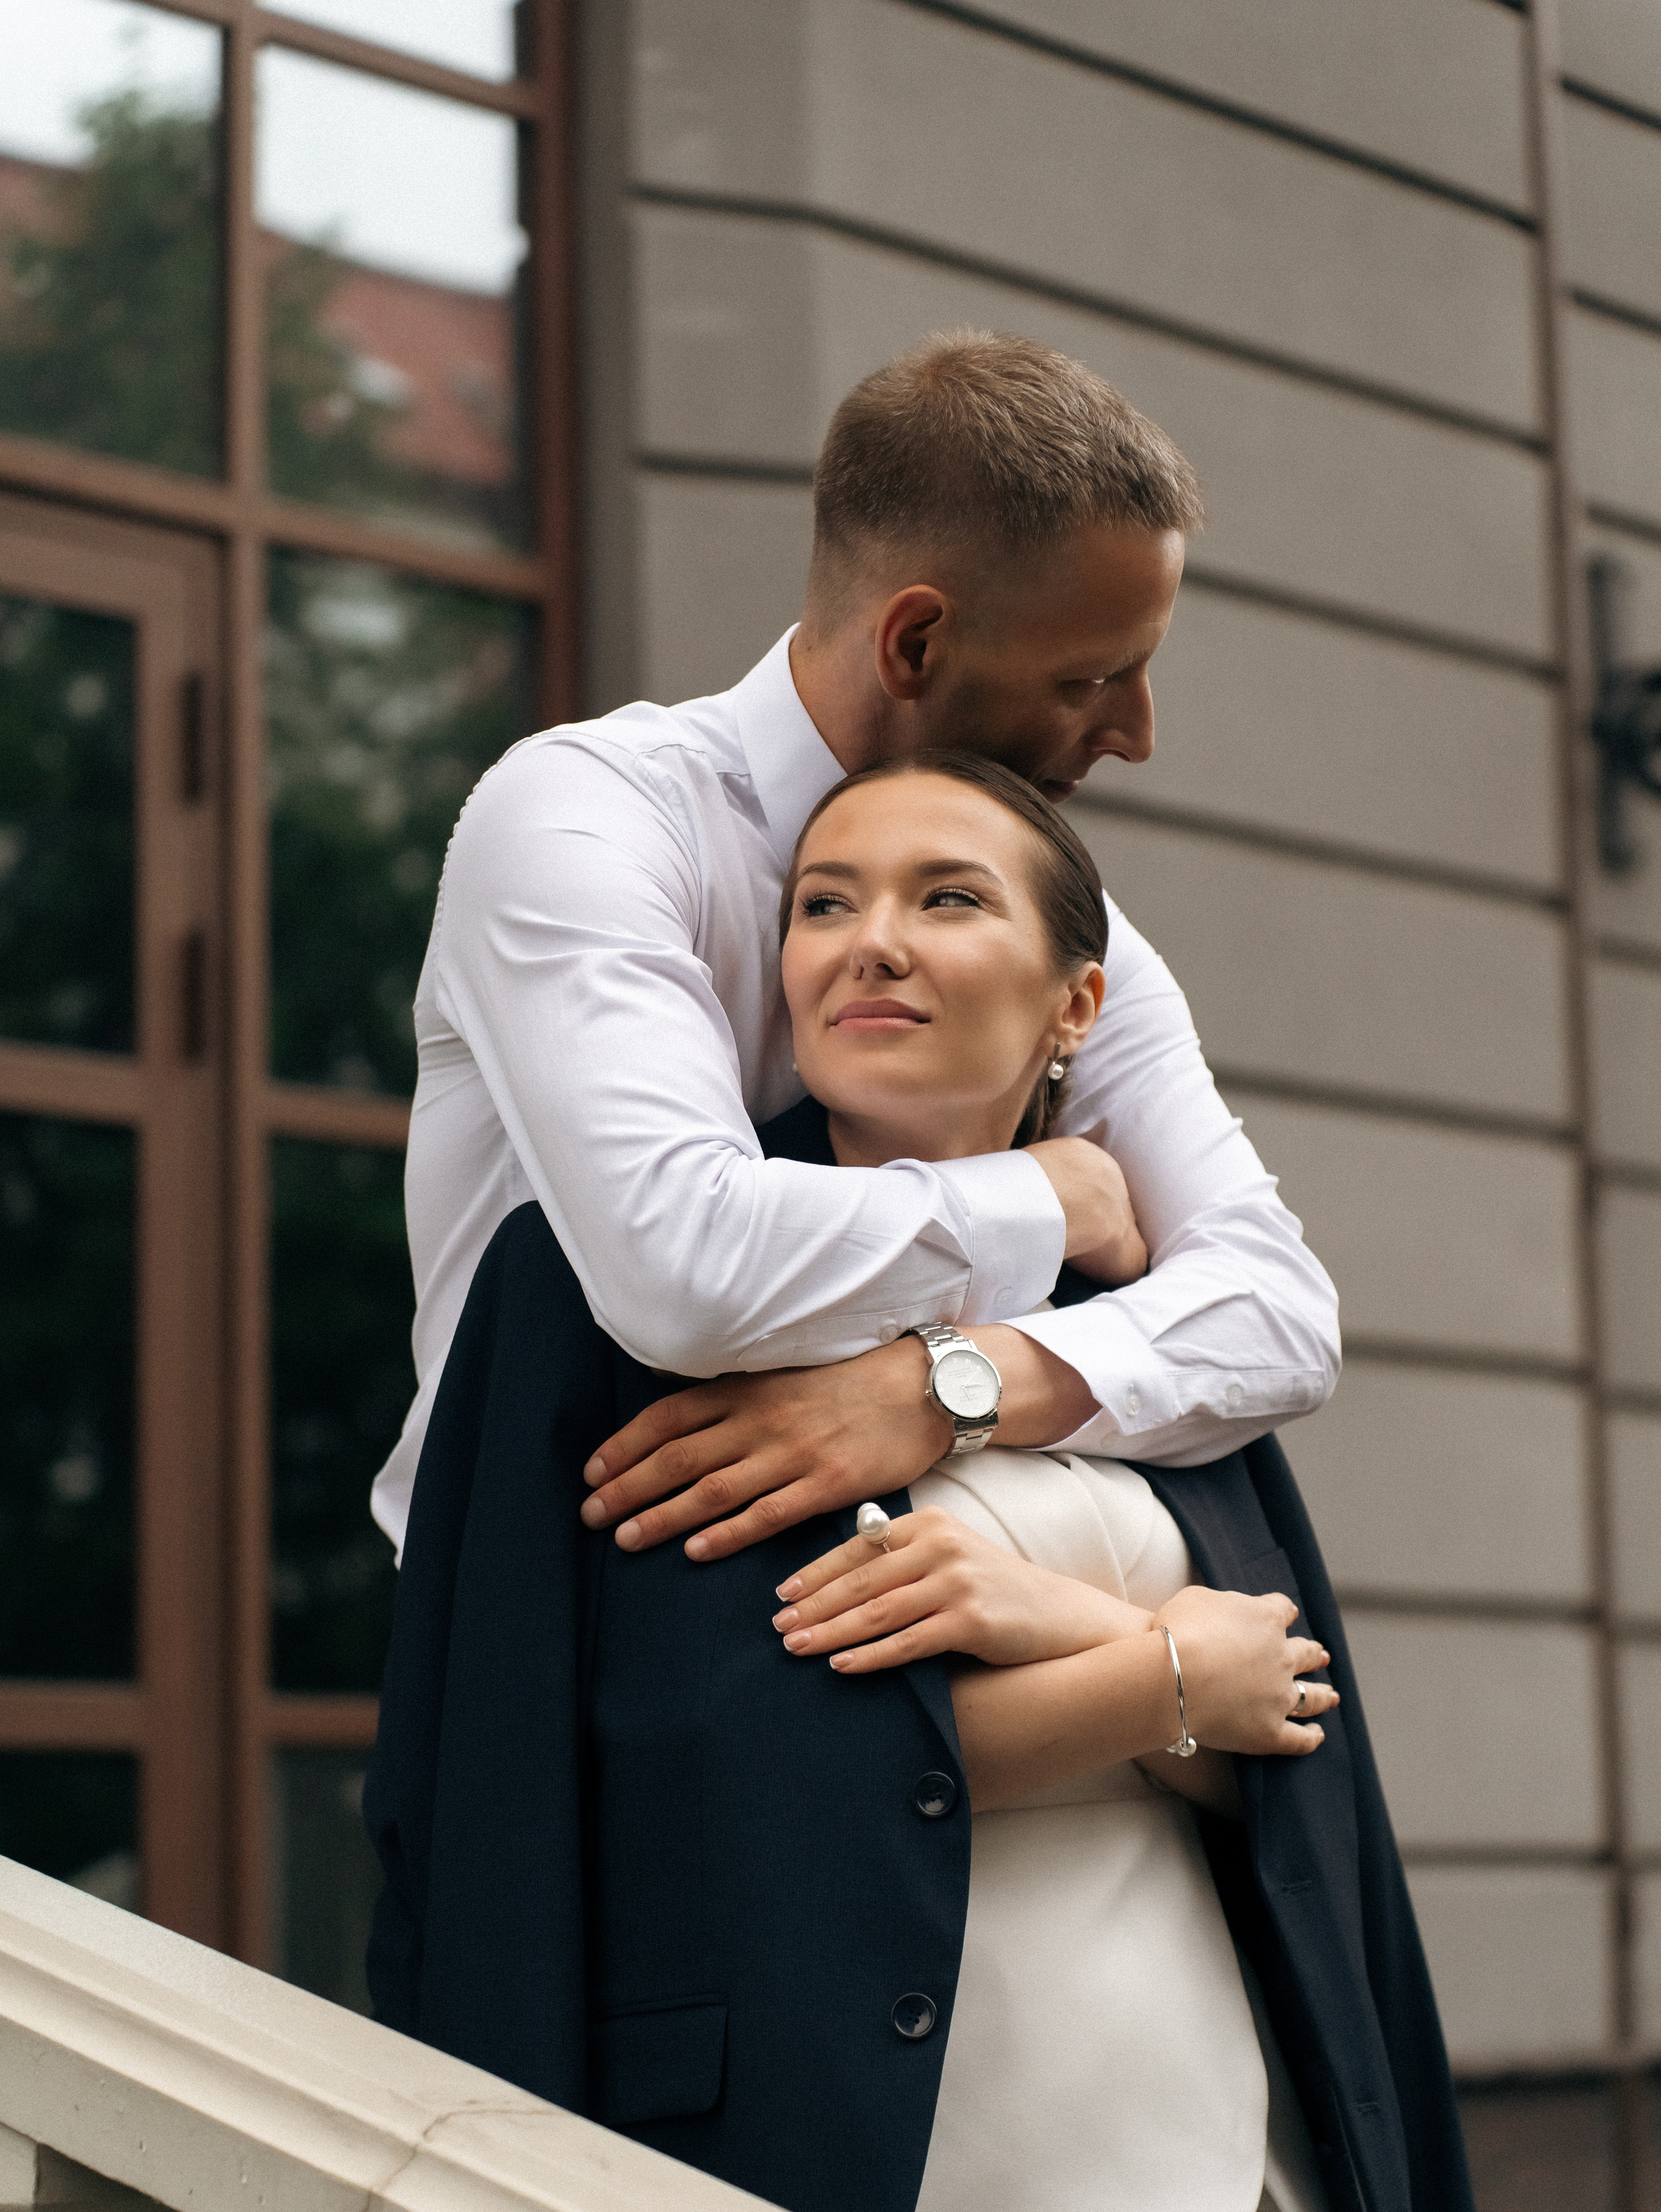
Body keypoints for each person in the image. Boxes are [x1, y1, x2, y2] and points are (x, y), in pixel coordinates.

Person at [363, 755, 1471, 2212]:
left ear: (1075, 1003)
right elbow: (689, 1781)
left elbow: (1285, 1728)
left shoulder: (1146, 1310)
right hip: (839, 2134)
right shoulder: (588, 1295)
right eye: (823, 902)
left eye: (944, 897)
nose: (867, 939)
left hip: (1226, 2122)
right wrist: (1149, 1678)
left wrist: (1046, 1621)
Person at [369, 330, 1340, 1589]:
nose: (1131, 734)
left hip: (928, 1649)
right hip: (555, 1644)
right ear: (915, 645)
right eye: (1088, 678)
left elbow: (1276, 1307)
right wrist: (1054, 1201)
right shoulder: (581, 823)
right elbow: (686, 1269)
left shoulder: (1066, 930)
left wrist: (950, 1387)